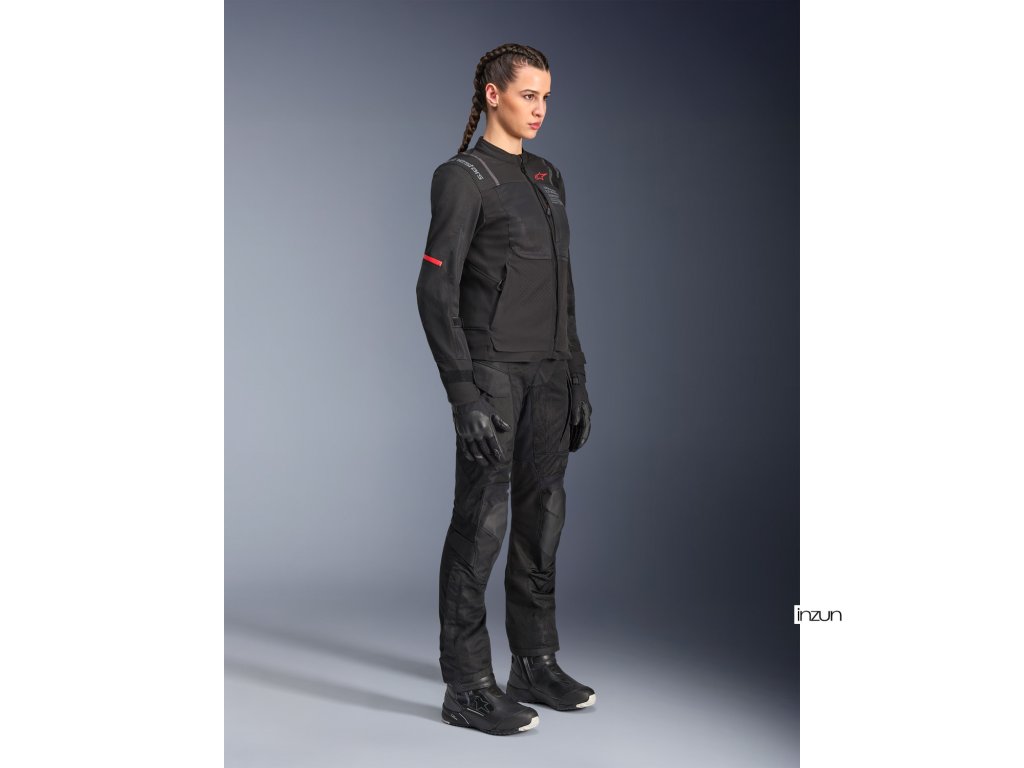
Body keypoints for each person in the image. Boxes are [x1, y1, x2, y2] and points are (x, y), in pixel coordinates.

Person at [415, 43, 595, 736]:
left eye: (546, 97)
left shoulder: (548, 175)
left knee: (543, 518)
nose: (540, 109)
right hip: (492, 377)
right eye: (528, 95)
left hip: (549, 374)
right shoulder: (462, 178)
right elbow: (435, 290)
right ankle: (466, 685)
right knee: (481, 526)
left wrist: (576, 374)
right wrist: (462, 393)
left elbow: (563, 285)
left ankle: (534, 662)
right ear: (493, 95)